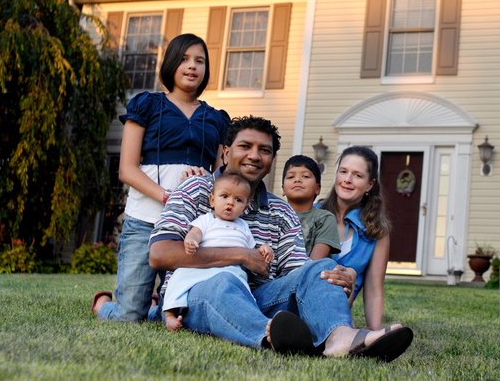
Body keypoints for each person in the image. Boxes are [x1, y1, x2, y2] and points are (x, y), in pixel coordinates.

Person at [148, 116, 413, 361]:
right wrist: (240, 255)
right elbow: (159, 254)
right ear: (226, 153)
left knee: (321, 268)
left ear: (271, 160)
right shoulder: (197, 188)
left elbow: (299, 272)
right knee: (223, 282)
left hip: (258, 297)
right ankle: (270, 337)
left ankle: (340, 337)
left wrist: (333, 279)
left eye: (264, 150)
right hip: (195, 295)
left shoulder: (281, 210)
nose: (254, 155)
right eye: (245, 146)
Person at [92, 33, 230, 322]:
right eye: (184, 59)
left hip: (189, 228)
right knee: (130, 317)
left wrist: (204, 184)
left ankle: (156, 302)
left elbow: (222, 178)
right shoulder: (147, 105)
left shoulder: (216, 119)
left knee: (179, 316)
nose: (192, 66)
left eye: (199, 61)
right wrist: (170, 197)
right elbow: (127, 169)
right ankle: (103, 305)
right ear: (170, 64)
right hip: (144, 219)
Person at [163, 170, 273, 332]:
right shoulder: (207, 220)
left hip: (232, 272)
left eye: (238, 200)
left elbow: (252, 252)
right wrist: (191, 240)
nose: (230, 203)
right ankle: (170, 315)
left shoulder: (243, 227)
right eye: (224, 196)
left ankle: (255, 319)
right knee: (178, 280)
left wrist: (264, 249)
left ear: (244, 207)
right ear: (212, 200)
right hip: (202, 269)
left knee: (241, 292)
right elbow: (195, 232)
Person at [320, 146, 391, 331]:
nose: (347, 180)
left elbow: (374, 291)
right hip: (304, 294)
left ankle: (335, 333)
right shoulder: (313, 213)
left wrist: (377, 334)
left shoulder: (377, 231)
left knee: (349, 274)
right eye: (343, 172)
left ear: (369, 184)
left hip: (338, 310)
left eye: (357, 175)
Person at [281, 155, 340, 259]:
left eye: (306, 176)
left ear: (318, 188)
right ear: (283, 189)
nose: (297, 180)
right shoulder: (275, 215)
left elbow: (314, 262)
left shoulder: (324, 218)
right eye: (291, 177)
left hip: (308, 272)